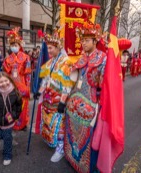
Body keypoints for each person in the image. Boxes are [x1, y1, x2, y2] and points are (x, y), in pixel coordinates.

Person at [64, 22, 107, 172]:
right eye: (82, 40)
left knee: (89, 136)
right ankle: (72, 157)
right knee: (73, 131)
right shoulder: (81, 58)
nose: (83, 43)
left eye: (87, 40)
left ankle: (87, 165)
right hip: (75, 101)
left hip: (92, 103)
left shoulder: (103, 58)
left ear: (95, 41)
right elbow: (73, 79)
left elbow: (105, 85)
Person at [34, 29, 76, 162]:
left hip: (58, 101)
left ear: (58, 47)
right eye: (48, 48)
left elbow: (67, 85)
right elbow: (46, 80)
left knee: (59, 125)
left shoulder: (66, 62)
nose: (49, 51)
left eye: (51, 48)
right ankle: (52, 141)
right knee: (49, 122)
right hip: (48, 99)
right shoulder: (50, 62)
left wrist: (63, 102)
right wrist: (39, 91)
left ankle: (61, 149)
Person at [3, 27, 31, 131]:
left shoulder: (25, 57)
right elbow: (5, 73)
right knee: (11, 104)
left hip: (22, 83)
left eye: (15, 45)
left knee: (23, 103)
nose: (14, 47)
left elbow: (28, 73)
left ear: (19, 46)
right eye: (12, 45)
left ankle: (23, 123)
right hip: (11, 84)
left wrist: (28, 86)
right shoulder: (7, 59)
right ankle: (12, 122)